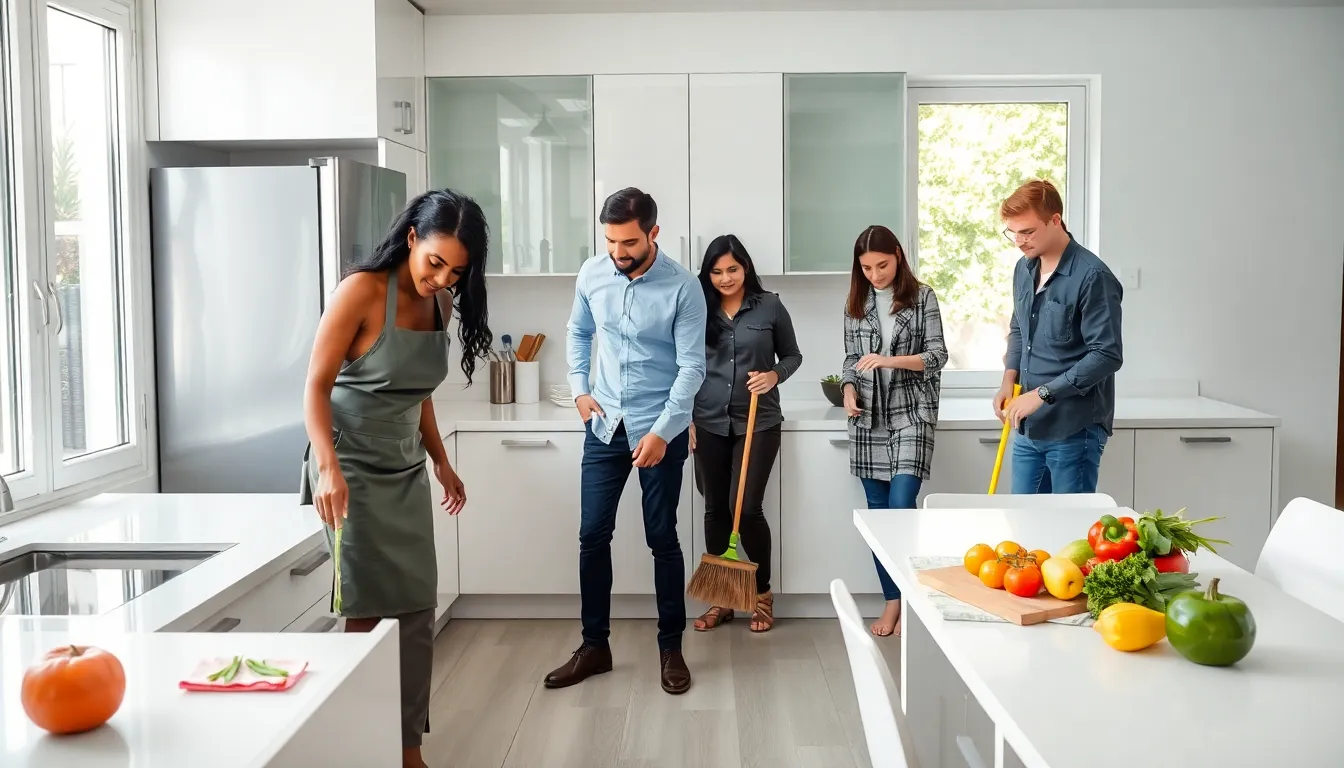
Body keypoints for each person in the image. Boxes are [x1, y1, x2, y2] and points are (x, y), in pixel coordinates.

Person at [301, 189, 491, 768]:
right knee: (365, 606)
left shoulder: (442, 306)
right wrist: (327, 469)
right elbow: (315, 386)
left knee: (414, 610)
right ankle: (361, 745)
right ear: (412, 238)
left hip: (404, 465)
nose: (442, 278)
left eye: (456, 271)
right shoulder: (360, 291)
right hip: (349, 464)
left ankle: (406, 749)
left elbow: (419, 394)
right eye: (435, 262)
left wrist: (440, 460)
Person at [546, 187, 707, 695]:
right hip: (604, 425)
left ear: (654, 233)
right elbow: (577, 332)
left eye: (630, 241)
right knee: (592, 534)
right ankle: (595, 646)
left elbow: (692, 368)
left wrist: (663, 432)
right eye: (612, 240)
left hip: (662, 427)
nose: (619, 251)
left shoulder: (684, 287)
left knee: (662, 539)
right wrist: (579, 390)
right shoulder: (592, 273)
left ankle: (670, 648)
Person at [689, 235, 802, 634]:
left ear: (746, 268)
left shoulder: (769, 304)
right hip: (707, 421)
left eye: (732, 269)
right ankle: (723, 598)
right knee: (715, 508)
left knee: (747, 507)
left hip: (760, 421)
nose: (725, 278)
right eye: (716, 271)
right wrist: (684, 418)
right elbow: (683, 363)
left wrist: (773, 375)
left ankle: (762, 595)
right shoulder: (696, 307)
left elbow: (792, 355)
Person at [841, 225, 947, 637]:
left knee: (902, 506)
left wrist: (888, 360)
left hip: (912, 414)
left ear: (898, 256)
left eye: (882, 265)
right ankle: (893, 602)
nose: (875, 274)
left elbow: (938, 356)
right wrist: (849, 388)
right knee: (879, 518)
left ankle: (913, 600)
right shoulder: (855, 302)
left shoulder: (923, 298)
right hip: (868, 417)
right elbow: (851, 357)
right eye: (866, 268)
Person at [994, 179, 1123, 494]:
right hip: (1027, 428)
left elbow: (1106, 355)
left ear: (1055, 220)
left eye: (1028, 231)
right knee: (1022, 527)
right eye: (1013, 232)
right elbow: (1019, 327)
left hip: (1074, 429)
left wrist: (1039, 395)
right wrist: (1008, 379)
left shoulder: (1093, 277)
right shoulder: (1023, 270)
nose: (1019, 242)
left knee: (1068, 531)